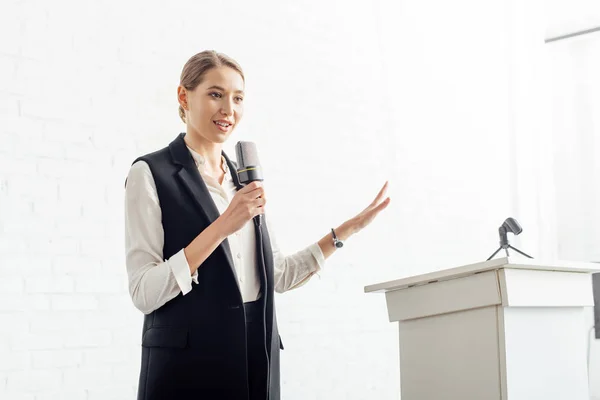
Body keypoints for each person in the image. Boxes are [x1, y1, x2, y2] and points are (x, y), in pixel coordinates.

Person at [124, 50, 391, 400]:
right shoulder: (150, 174)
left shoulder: (244, 179)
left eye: (238, 98)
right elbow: (144, 292)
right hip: (188, 366)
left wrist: (345, 231)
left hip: (255, 355)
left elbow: (277, 274)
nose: (228, 110)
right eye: (215, 94)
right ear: (183, 96)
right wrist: (222, 225)